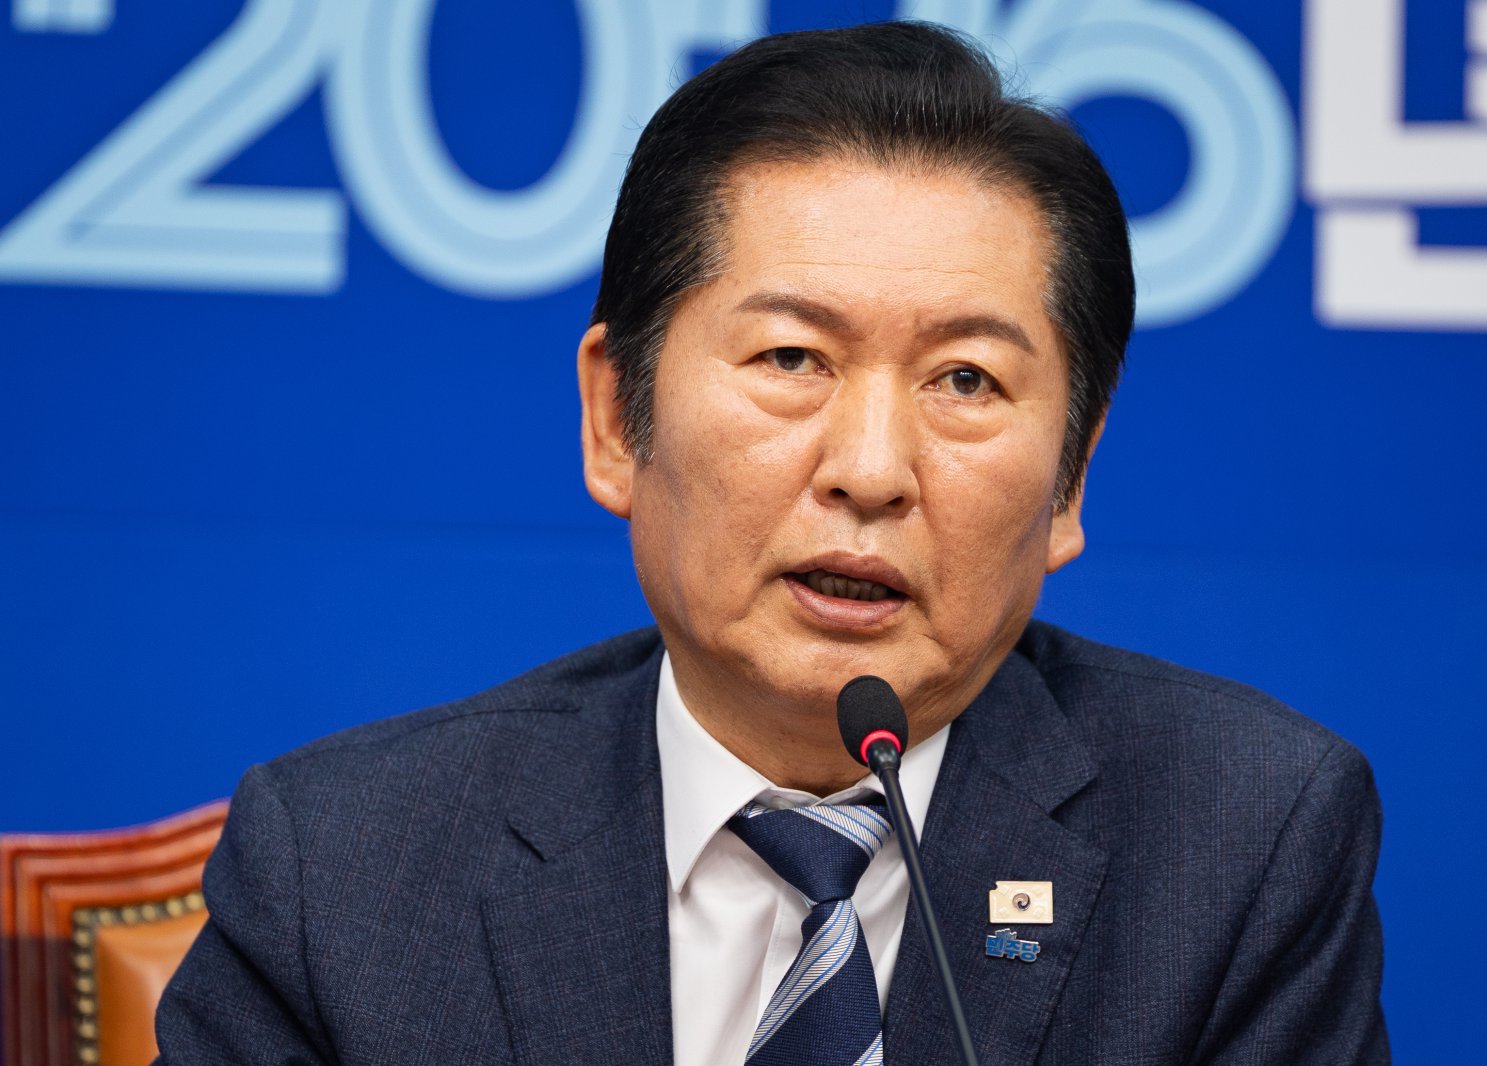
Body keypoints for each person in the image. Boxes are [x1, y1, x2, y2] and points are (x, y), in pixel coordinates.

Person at [155, 20, 1387, 1065]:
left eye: (965, 379)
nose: (870, 470)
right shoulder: (348, 868)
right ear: (615, 418)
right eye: (792, 357)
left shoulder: (1238, 843)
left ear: (1070, 477)